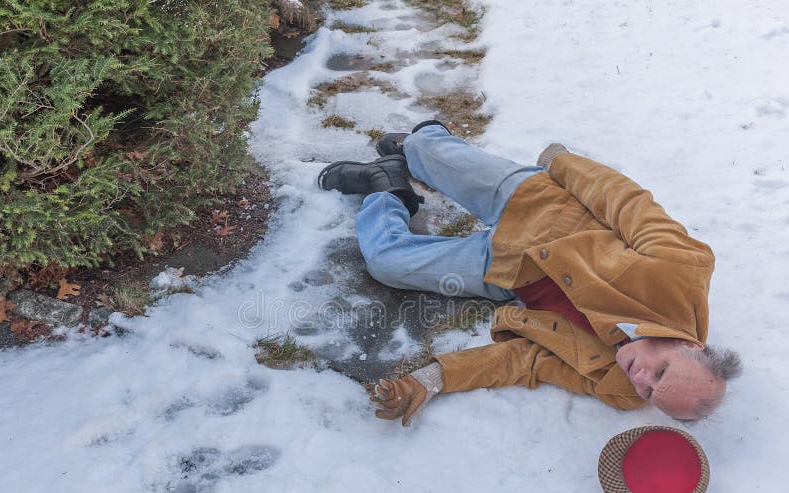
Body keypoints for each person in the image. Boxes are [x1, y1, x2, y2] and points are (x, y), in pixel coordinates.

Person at [317, 121, 742, 426]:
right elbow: (626, 203)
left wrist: (434, 378)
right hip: (541, 211)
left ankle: (385, 186)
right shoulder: (683, 269)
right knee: (425, 151)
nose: (641, 379)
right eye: (661, 370)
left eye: (651, 392)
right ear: (688, 343)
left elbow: (529, 362)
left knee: (387, 263)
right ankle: (422, 140)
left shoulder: (620, 387)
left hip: (509, 273)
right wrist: (562, 163)